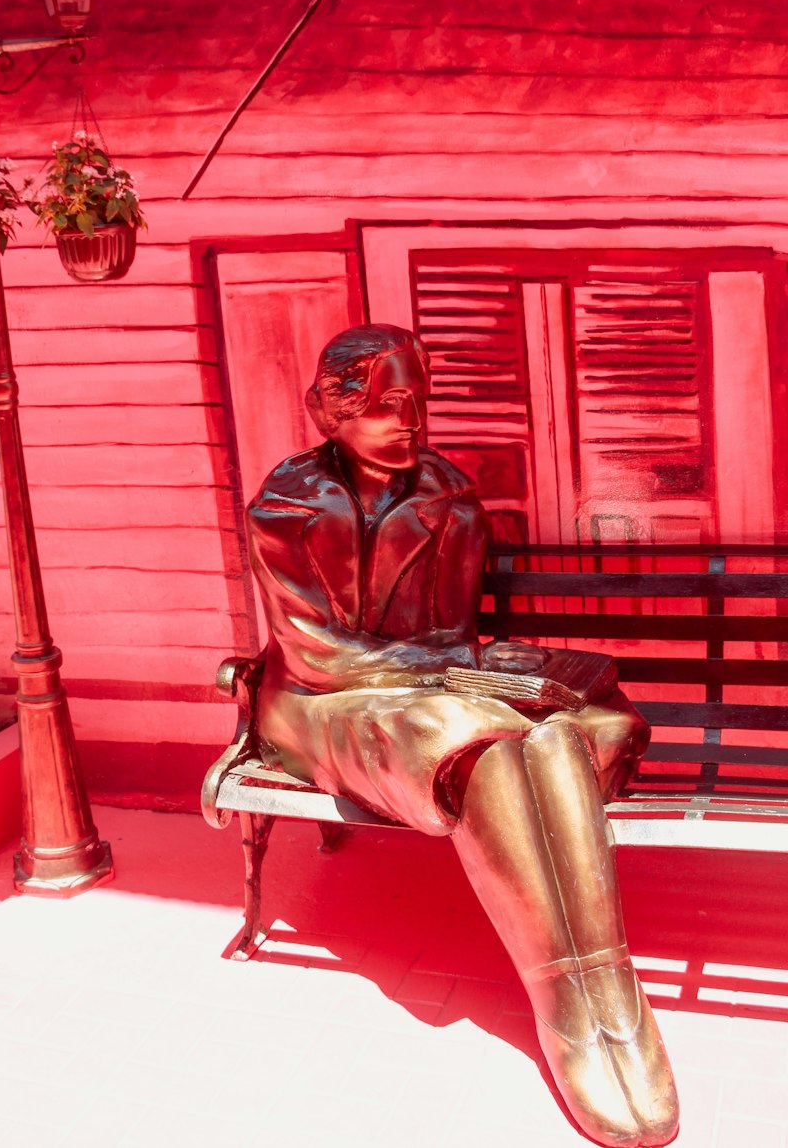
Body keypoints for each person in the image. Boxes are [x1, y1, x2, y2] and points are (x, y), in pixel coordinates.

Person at [247, 323, 679, 1148]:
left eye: (418, 404)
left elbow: (451, 632)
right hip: (314, 704)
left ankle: (609, 991)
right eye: (384, 406)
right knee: (472, 727)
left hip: (420, 692)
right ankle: (563, 1003)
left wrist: (460, 670)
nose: (408, 423)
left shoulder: (448, 495)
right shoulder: (286, 505)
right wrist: (447, 672)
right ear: (329, 413)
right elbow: (316, 652)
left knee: (554, 737)